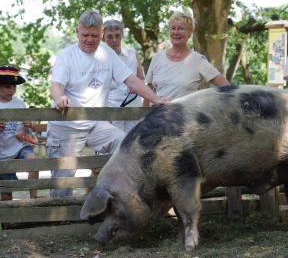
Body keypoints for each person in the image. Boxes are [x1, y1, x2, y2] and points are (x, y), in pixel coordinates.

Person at [48, 10, 168, 197]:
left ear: (101, 32)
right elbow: (56, 85)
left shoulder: (107, 54)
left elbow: (132, 80)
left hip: (96, 124)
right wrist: (59, 98)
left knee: (125, 144)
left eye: (94, 35)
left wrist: (156, 99)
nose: (89, 39)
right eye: (85, 35)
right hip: (68, 126)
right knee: (64, 180)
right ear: (77, 32)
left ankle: (116, 198)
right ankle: (60, 222)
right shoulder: (66, 56)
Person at [144, 10, 230, 105]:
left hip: (185, 118)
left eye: (181, 29)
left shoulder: (198, 61)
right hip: (156, 118)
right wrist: (142, 116)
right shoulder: (157, 58)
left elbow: (225, 86)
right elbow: (148, 90)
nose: (176, 32)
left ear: (190, 32)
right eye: (173, 28)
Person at [0, 65, 39, 201]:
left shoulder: (20, 103)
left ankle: (34, 200)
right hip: (1, 151)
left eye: (14, 87)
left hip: (20, 145)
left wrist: (29, 124)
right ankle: (8, 219)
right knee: (6, 190)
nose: (11, 90)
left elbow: (26, 126)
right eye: (7, 87)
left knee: (33, 161)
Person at [103, 19, 145, 132]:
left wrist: (136, 88)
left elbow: (141, 78)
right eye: (110, 37)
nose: (114, 40)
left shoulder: (132, 54)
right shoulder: (99, 59)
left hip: (133, 108)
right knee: (112, 145)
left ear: (122, 34)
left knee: (133, 143)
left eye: (117, 35)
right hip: (112, 110)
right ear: (103, 37)